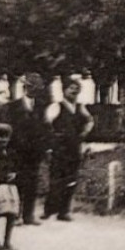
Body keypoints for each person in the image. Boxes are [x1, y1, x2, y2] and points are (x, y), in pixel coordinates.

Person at [43, 78, 94, 221]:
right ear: (64, 90)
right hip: (59, 148)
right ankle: (49, 210)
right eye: (71, 88)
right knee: (55, 179)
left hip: (74, 147)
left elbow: (90, 120)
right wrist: (50, 146)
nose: (74, 91)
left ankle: (64, 211)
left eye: (77, 88)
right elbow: (48, 126)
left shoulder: (80, 107)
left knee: (71, 179)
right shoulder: (56, 106)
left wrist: (85, 132)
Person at [7, 74, 48, 225]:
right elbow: (9, 129)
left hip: (34, 152)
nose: (32, 90)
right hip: (17, 150)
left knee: (32, 182)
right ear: (25, 87)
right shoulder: (13, 106)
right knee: (17, 182)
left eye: (36, 87)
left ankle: (28, 215)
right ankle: (15, 215)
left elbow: (45, 129)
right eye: (30, 86)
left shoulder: (41, 106)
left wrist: (44, 148)